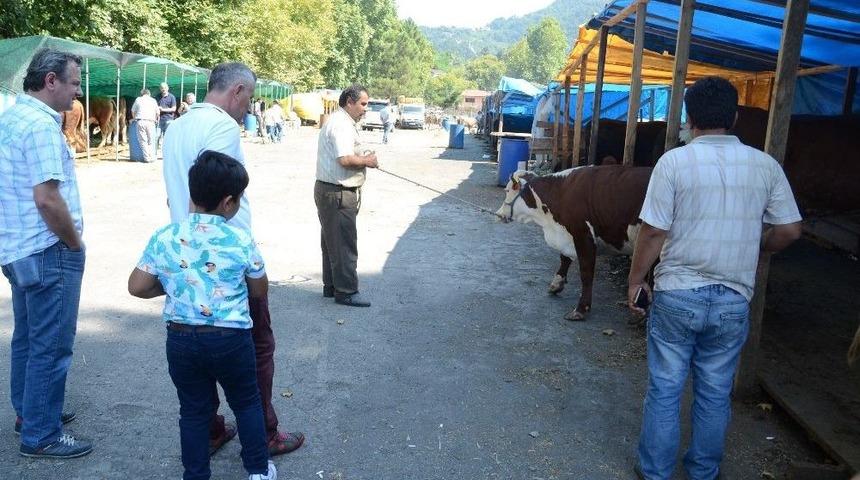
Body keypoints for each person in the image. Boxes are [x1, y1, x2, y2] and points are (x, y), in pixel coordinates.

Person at [627, 76, 802, 480]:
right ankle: (703, 472)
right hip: (732, 299)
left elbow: (653, 232)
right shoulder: (765, 166)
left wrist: (636, 280)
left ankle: (654, 472)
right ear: (735, 116)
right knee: (714, 391)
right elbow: (790, 229)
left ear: (689, 117)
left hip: (677, 295)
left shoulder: (673, 162)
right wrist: (759, 247)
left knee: (666, 389)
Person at [162, 61, 305, 457]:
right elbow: (223, 196)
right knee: (257, 346)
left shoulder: (178, 126)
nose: (248, 107)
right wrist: (246, 258)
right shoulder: (222, 127)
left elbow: (179, 193)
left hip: (186, 255)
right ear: (238, 90)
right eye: (250, 98)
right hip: (224, 259)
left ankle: (209, 429)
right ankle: (265, 433)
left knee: (195, 345)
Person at [128, 151, 277, 480]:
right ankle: (258, 470)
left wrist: (177, 287)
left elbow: (137, 287)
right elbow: (259, 290)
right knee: (247, 402)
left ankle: (195, 475)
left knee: (194, 411)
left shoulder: (165, 236)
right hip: (231, 339)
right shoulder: (240, 239)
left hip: (181, 339)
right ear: (228, 203)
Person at [0, 48, 92, 458]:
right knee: (51, 344)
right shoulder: (39, 127)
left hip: (17, 247)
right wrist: (74, 243)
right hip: (45, 248)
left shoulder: (12, 119)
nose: (78, 91)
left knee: (29, 337)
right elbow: (48, 199)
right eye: (73, 82)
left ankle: (29, 411)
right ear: (50, 80)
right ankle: (40, 433)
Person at [314, 84, 378, 307]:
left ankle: (332, 286)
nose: (365, 108)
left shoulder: (340, 121)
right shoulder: (341, 124)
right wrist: (367, 161)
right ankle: (346, 291)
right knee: (343, 243)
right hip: (338, 192)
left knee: (331, 241)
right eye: (363, 104)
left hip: (331, 191)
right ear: (349, 102)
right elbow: (345, 160)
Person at [131, 88, 160, 163]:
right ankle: (152, 157)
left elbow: (133, 111)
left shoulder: (138, 99)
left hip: (140, 121)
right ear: (149, 94)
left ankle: (147, 158)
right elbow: (158, 113)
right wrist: (156, 119)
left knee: (143, 141)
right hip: (151, 122)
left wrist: (134, 118)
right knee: (151, 140)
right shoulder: (153, 100)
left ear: (142, 94)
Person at [156, 82, 177, 153]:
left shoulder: (172, 97)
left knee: (167, 137)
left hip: (169, 119)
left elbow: (174, 109)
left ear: (167, 88)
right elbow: (154, 107)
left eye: (164, 87)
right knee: (156, 136)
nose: (163, 89)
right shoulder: (157, 97)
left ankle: (167, 152)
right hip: (159, 119)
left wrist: (163, 109)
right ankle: (154, 153)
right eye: (162, 88)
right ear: (160, 89)